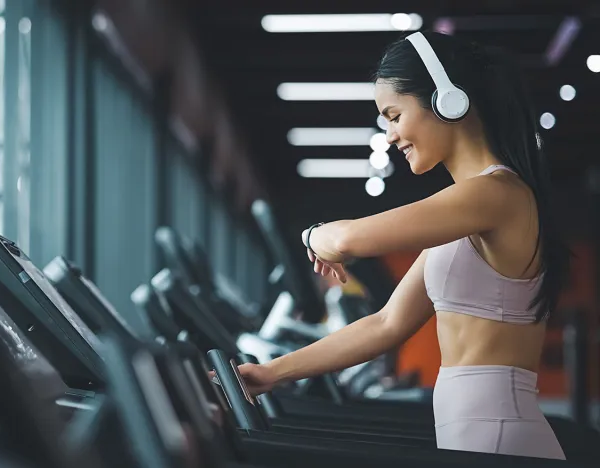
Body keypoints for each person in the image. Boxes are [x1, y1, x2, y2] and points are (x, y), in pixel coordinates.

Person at [237, 31, 571, 460]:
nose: (391, 134)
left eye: (394, 115)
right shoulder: (466, 211)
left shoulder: (496, 194)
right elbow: (386, 324)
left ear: (446, 100)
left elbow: (347, 238)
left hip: (500, 436)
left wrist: (312, 234)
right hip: (477, 434)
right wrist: (269, 373)